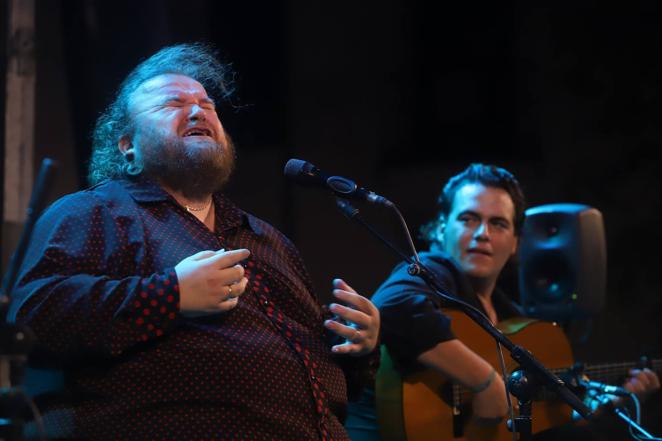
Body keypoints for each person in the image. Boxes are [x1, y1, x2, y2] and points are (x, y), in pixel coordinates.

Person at [8, 43, 380, 440]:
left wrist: (357, 347)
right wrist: (171, 294)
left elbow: (333, 382)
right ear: (127, 146)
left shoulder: (268, 239)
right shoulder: (94, 212)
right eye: (172, 104)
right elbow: (32, 316)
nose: (199, 110)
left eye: (207, 104)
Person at [345, 163, 659, 440]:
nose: (482, 233)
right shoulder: (431, 270)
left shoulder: (511, 317)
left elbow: (543, 418)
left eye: (498, 224)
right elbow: (396, 306)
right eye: (468, 219)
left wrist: (616, 401)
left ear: (515, 244)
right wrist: (483, 382)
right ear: (441, 228)